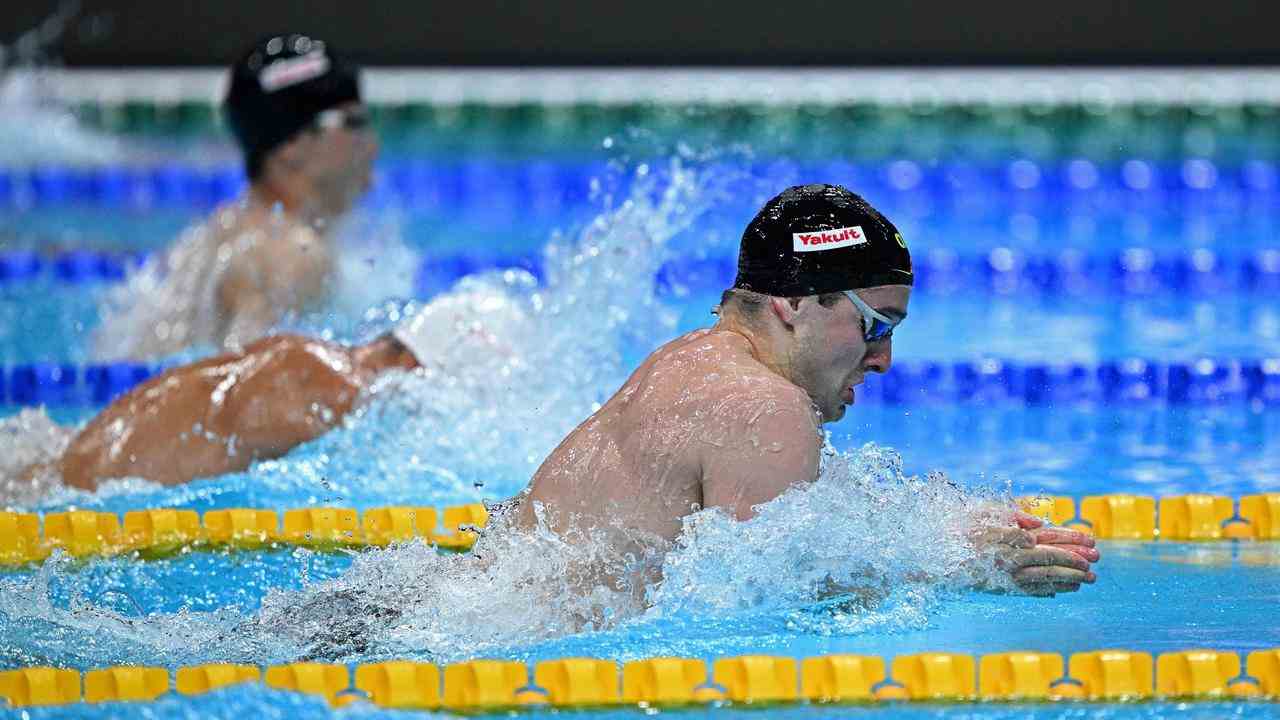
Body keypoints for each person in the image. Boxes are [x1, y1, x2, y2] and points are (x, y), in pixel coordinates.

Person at [505, 184, 1099, 597]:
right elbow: (756, 604)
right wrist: (966, 564)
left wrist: (936, 533)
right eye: (876, 324)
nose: (884, 358)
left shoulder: (689, 359)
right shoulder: (764, 405)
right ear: (794, 303)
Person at [92, 33, 378, 360]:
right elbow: (243, 392)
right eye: (355, 122)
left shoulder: (218, 233)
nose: (373, 143)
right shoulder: (291, 254)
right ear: (292, 144)